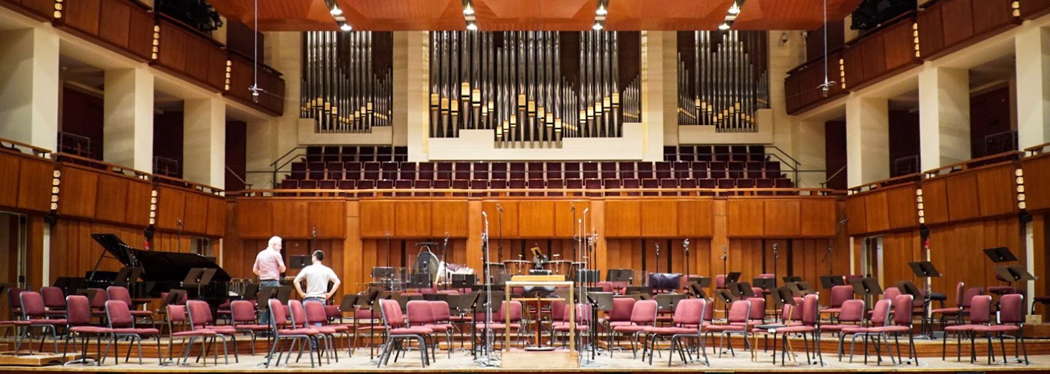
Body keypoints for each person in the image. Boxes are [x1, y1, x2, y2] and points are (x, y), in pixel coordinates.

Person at [294, 250, 341, 326]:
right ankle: (318, 337)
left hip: (308, 298)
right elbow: (337, 282)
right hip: (321, 299)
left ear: (314, 257)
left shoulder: (307, 269)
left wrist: (301, 293)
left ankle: (308, 337)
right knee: (318, 323)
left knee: (308, 323)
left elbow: (296, 281)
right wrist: (329, 294)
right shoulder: (327, 270)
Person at [253, 236, 286, 324]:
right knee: (274, 307)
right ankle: (272, 329)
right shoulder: (276, 254)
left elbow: (254, 270)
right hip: (273, 283)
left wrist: (263, 274)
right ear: (274, 245)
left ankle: (262, 330)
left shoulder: (260, 254)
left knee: (263, 307)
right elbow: (283, 269)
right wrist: (276, 270)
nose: (281, 247)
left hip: (262, 283)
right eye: (279, 245)